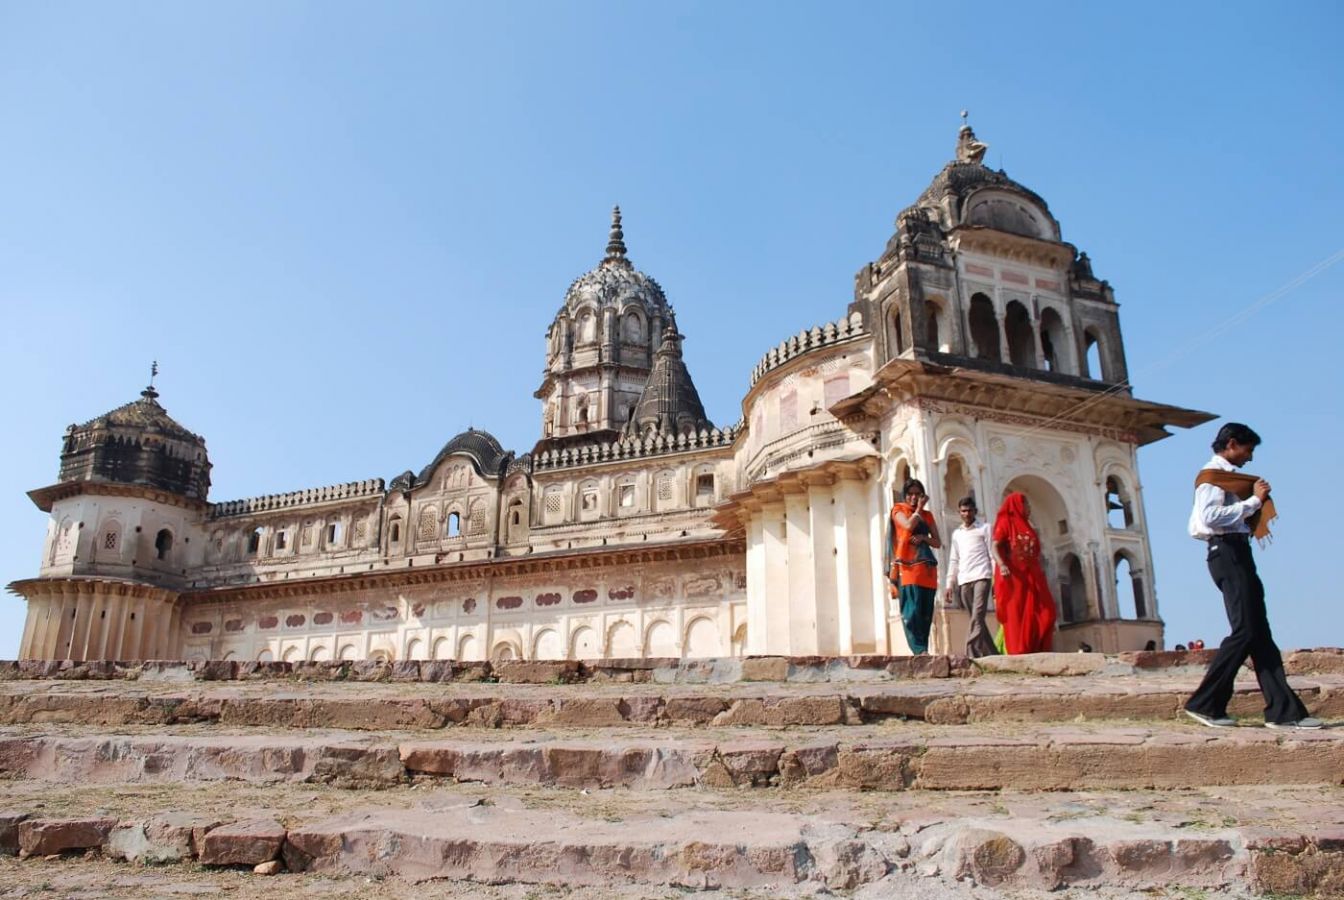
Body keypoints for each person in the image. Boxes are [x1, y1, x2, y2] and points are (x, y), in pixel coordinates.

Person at [1183, 423, 1321, 730]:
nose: (1250, 458)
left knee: (1260, 634)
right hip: (1226, 552)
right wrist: (1254, 503)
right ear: (1232, 444)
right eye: (1248, 450)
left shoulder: (1228, 478)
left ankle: (1285, 712)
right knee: (1245, 630)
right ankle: (1204, 703)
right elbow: (1208, 518)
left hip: (1238, 552)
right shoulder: (1213, 476)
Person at [990, 492, 1057, 654]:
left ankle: (1036, 646)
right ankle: (1020, 650)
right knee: (1018, 613)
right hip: (1015, 576)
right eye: (1026, 504)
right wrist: (1002, 564)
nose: (1029, 507)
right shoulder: (1006, 523)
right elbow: (995, 546)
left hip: (1032, 575)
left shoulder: (1028, 525)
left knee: (1047, 612)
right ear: (1017, 505)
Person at [887, 479, 941, 654]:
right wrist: (918, 510)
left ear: (922, 495)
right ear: (905, 495)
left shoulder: (928, 516)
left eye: (918, 494)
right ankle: (918, 650)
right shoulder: (898, 510)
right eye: (910, 494)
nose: (913, 497)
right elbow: (908, 525)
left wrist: (924, 538)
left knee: (925, 610)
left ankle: (923, 650)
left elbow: (937, 542)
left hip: (927, 567)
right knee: (911, 611)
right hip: (907, 568)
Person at [943, 496, 998, 658]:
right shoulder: (957, 534)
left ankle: (970, 649)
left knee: (978, 614)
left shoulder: (985, 528)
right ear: (959, 513)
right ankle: (993, 653)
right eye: (963, 511)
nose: (967, 514)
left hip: (982, 575)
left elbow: (991, 554)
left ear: (975, 511)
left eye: (969, 510)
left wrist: (996, 579)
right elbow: (954, 559)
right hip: (964, 579)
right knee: (976, 618)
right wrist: (949, 584)